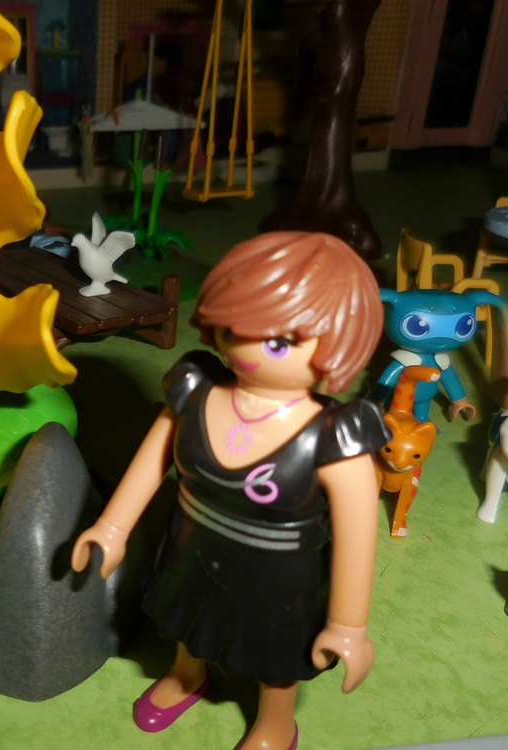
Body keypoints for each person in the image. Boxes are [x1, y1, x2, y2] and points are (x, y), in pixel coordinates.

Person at [72, 231, 388, 750]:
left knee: (277, 654)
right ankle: (187, 675)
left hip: (281, 575)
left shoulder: (335, 437)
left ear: (338, 342)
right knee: (187, 620)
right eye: (232, 328)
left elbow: (358, 536)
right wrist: (112, 527)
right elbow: (152, 460)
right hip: (193, 547)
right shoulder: (196, 391)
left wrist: (348, 626)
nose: (245, 350)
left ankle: (275, 722)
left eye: (278, 341)